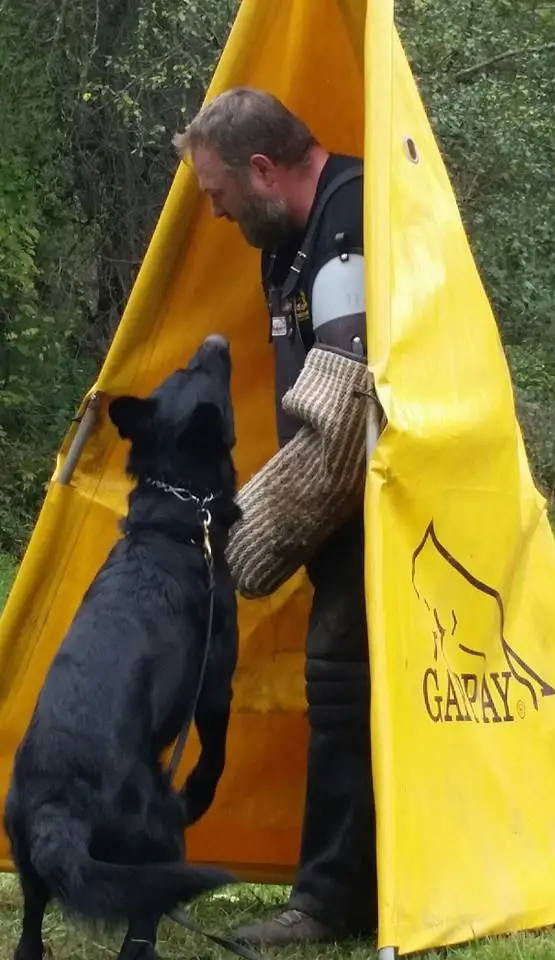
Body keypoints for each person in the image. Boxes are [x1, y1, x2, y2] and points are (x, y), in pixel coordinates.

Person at [172, 87, 376, 946]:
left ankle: (328, 906)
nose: (216, 213)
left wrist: (243, 537)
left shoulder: (350, 221)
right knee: (342, 691)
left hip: (380, 509)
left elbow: (349, 417)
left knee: (343, 685)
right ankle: (351, 894)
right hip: (341, 518)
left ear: (261, 169)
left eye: (217, 193)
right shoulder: (285, 238)